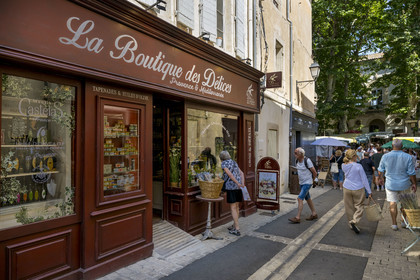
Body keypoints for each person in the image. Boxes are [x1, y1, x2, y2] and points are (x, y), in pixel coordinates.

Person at [378, 139, 417, 231]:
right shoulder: (408, 157)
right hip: (404, 184)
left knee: (392, 203)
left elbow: (380, 170)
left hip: (391, 184)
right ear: (402, 146)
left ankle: (394, 224)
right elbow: (411, 173)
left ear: (392, 145)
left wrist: (380, 179)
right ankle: (403, 221)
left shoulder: (385, 156)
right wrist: (414, 183)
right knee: (404, 203)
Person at [342, 149, 372, 234]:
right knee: (359, 206)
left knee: (349, 207)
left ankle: (351, 224)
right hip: (358, 188)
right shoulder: (358, 166)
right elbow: (364, 179)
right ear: (354, 156)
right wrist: (369, 191)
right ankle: (355, 221)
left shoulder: (343, 165)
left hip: (346, 187)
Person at [288, 147, 318, 224]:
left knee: (299, 198)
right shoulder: (297, 160)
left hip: (307, 183)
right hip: (301, 183)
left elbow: (314, 172)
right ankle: (314, 214)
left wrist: (314, 181)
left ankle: (297, 217)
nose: (294, 154)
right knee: (308, 198)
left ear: (301, 154)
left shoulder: (307, 161)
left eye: (296, 153)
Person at [220, 150, 245, 236]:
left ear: (221, 158)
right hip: (238, 188)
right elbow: (242, 173)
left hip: (231, 187)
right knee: (237, 206)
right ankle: (235, 224)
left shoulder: (224, 164)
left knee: (233, 208)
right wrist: (242, 184)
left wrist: (237, 183)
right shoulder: (234, 162)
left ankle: (237, 228)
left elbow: (230, 175)